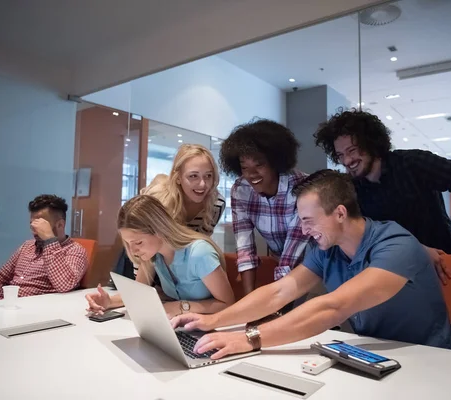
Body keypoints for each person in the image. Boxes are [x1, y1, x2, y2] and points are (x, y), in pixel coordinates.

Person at [171, 170, 451, 360]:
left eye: (308, 220)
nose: (304, 229)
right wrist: (214, 321)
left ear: (340, 213)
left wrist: (249, 338)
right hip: (374, 357)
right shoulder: (327, 249)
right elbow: (279, 292)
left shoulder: (396, 244)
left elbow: (333, 307)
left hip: (430, 359)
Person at [314, 109, 451, 284]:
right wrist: (418, 250)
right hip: (392, 277)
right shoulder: (353, 189)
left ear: (371, 144)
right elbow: (367, 236)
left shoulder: (413, 163)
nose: (346, 161)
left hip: (444, 271)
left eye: (352, 150)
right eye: (340, 155)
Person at [87, 195, 234, 318]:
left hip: (212, 329)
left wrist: (181, 306)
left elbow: (228, 304)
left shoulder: (199, 253)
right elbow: (137, 293)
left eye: (138, 242)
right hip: (183, 326)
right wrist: (109, 301)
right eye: (127, 243)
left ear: (159, 230)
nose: (132, 250)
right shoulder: (153, 256)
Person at [219, 119, 309, 296]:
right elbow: (245, 247)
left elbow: (291, 255)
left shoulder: (302, 187)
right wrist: (248, 299)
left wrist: (274, 306)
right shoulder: (241, 189)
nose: (251, 174)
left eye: (259, 165)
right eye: (245, 167)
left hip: (314, 261)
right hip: (280, 263)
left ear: (275, 161)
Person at [114, 144, 225, 279]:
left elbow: (200, 245)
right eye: (193, 176)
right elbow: (142, 248)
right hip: (148, 260)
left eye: (208, 176)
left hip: (178, 270)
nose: (202, 184)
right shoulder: (160, 199)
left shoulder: (216, 204)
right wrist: (140, 286)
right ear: (178, 177)